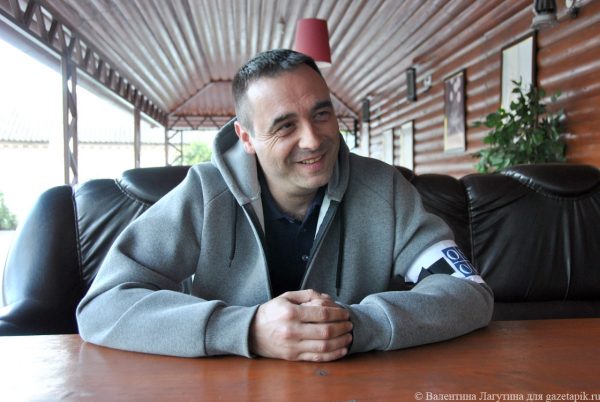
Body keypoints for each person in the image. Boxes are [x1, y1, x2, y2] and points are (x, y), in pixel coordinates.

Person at [77, 49, 493, 362]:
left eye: (321, 114)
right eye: (285, 126)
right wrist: (247, 329)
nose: (312, 140)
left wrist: (354, 326)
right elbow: (102, 305)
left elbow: (469, 291)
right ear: (246, 138)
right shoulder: (204, 194)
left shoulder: (386, 190)